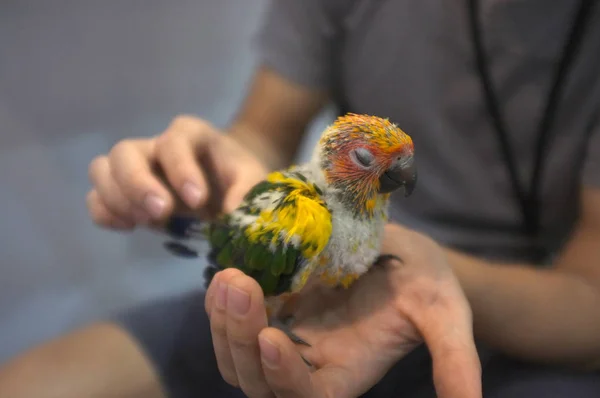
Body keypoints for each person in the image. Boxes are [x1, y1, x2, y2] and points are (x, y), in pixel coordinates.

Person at [2, 0, 600, 397]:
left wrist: (425, 269)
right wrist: (221, 166)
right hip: (296, 291)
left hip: (535, 320)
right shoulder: (310, 222)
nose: (397, 173)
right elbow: (262, 132)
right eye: (369, 160)